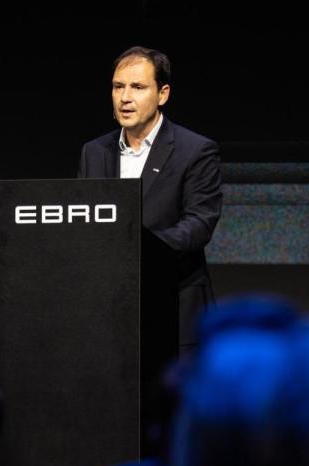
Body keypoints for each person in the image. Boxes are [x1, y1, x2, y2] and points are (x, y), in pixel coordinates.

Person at [78, 46, 223, 356]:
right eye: (119, 87)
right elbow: (85, 221)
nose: (125, 97)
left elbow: (199, 224)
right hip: (111, 313)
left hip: (174, 309)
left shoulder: (195, 150)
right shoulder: (94, 152)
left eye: (138, 87)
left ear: (163, 94)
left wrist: (139, 248)